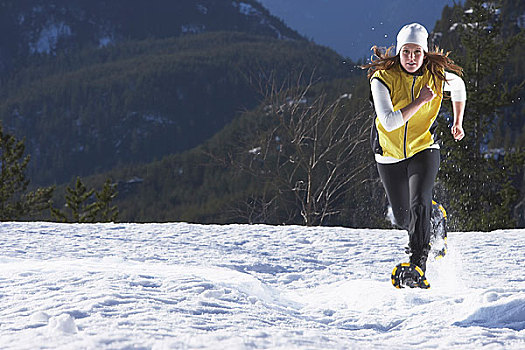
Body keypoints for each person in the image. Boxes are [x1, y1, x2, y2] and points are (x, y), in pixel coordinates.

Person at [361, 23, 466, 273]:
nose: (411, 58)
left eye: (417, 52)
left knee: (419, 201)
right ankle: (435, 216)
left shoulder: (436, 74)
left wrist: (458, 121)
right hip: (389, 154)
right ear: (399, 52)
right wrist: (420, 101)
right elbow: (388, 122)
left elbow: (459, 86)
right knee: (403, 217)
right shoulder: (382, 79)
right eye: (406, 52)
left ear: (425, 52)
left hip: (424, 147)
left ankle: (418, 264)